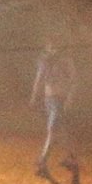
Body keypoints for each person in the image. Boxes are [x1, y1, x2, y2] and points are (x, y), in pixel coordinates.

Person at [31, 43, 77, 176]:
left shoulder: (66, 60)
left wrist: (69, 99)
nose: (51, 48)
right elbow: (39, 79)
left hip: (59, 100)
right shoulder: (44, 60)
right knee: (59, 130)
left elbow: (74, 80)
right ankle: (71, 158)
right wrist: (34, 96)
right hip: (49, 99)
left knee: (52, 130)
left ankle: (42, 161)